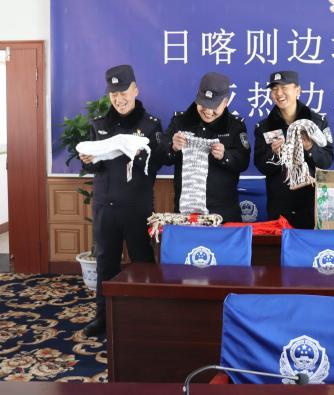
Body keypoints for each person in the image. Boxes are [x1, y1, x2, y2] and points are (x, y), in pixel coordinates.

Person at [79, 64, 164, 337]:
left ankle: (148, 316)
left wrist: (137, 154)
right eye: (114, 94)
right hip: (105, 206)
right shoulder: (99, 124)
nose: (119, 99)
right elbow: (95, 167)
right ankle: (102, 318)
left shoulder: (150, 125)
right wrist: (88, 160)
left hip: (137, 207)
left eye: (123, 92)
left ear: (135, 90)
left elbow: (156, 165)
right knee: (106, 263)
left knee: (143, 262)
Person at [163, 72, 250, 222]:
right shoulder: (179, 122)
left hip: (225, 215)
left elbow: (244, 162)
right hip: (186, 214)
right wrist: (173, 148)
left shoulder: (236, 126)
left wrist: (225, 156)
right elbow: (160, 157)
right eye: (204, 104)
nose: (208, 112)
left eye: (214, 106)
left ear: (225, 102)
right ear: (197, 97)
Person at [254, 70, 334, 228]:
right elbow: (261, 165)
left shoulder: (316, 122)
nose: (279, 93)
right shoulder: (264, 126)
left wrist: (310, 148)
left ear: (297, 90)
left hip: (312, 207)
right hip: (279, 209)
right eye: (274, 89)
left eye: (284, 87)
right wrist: (275, 155)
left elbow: (327, 161)